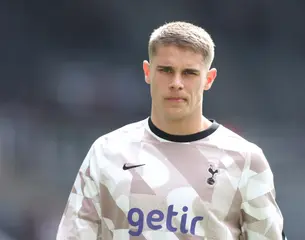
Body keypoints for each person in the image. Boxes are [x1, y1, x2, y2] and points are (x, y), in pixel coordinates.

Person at [56, 21, 286, 240]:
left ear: (209, 78)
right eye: (166, 70)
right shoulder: (107, 152)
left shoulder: (245, 160)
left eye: (189, 73)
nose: (176, 82)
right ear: (147, 72)